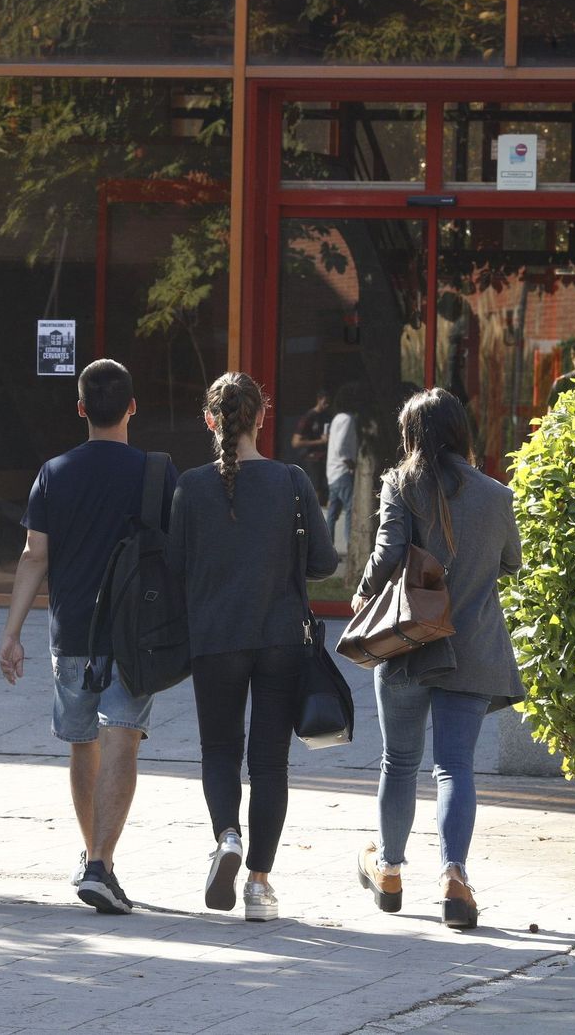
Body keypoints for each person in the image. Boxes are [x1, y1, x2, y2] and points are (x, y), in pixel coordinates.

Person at [0, 359, 176, 916]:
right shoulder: (155, 472)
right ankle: (100, 862)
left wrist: (11, 633)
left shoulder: (54, 472)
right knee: (122, 738)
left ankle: (93, 857)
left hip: (72, 630)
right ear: (132, 407)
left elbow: (34, 556)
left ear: (80, 409)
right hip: (136, 633)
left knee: (83, 743)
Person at [351, 388, 523, 931]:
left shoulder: (401, 484)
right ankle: (454, 878)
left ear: (412, 437)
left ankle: (390, 872)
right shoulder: (496, 494)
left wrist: (362, 595)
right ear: (459, 431)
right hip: (472, 647)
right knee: (455, 767)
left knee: (399, 762)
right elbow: (511, 562)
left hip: (408, 645)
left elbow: (387, 553)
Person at [168, 372, 336, 922]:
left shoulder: (191, 487)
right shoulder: (292, 481)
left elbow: (174, 567)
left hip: (214, 637)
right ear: (261, 418)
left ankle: (227, 837)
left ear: (210, 421)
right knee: (269, 763)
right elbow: (323, 563)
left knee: (219, 750)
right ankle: (260, 886)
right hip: (280, 636)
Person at [324, 403, 358, 551]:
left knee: (332, 513)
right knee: (351, 508)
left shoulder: (337, 418)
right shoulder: (347, 419)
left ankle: (327, 548)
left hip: (332, 472)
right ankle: (350, 544)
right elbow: (341, 447)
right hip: (342, 471)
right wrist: (351, 464)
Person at [290, 388, 331, 502]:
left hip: (324, 457)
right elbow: (295, 442)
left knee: (323, 487)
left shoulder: (326, 416)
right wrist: (319, 441)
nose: (327, 405)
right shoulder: (309, 417)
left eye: (329, 403)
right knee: (315, 487)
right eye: (325, 402)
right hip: (311, 457)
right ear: (319, 400)